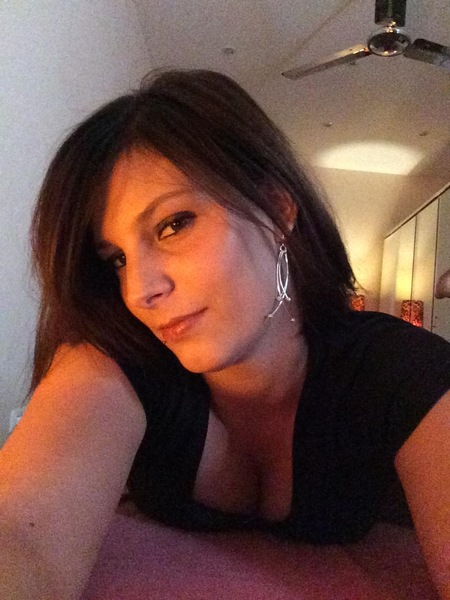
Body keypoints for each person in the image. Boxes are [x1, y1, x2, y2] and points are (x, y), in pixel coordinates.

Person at [0, 69, 449, 600]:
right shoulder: (117, 360)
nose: (140, 290)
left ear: (277, 209)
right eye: (116, 259)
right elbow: (19, 536)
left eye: (173, 225)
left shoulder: (400, 371)